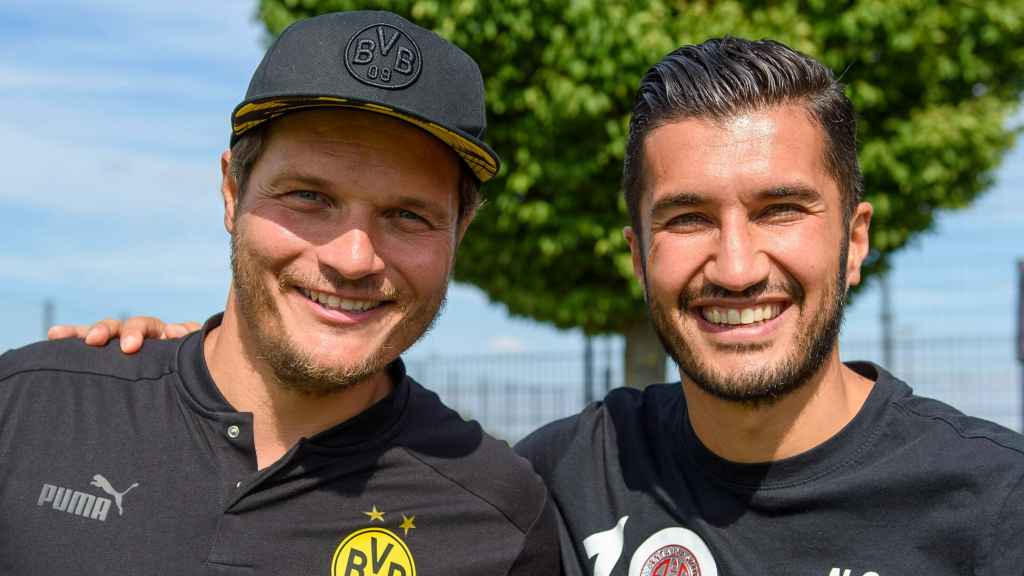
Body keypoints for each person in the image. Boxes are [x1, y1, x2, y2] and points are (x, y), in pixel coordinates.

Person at [57, 38, 1024, 575]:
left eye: (780, 210)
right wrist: (175, 367)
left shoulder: (993, 504)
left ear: (854, 237)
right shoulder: (557, 477)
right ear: (637, 249)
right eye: (686, 218)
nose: (736, 266)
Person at [1, 10, 558, 575]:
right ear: (232, 192)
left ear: (458, 234)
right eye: (309, 198)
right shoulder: (27, 411)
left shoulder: (499, 518)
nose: (353, 259)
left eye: (408, 214)